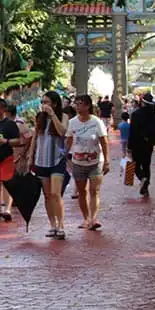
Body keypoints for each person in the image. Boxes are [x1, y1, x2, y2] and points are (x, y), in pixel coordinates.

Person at [65, 94, 110, 230]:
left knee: (94, 190)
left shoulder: (96, 122)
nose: (77, 106)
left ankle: (93, 218)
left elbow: (104, 141)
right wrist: (66, 157)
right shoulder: (72, 122)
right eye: (76, 104)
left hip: (95, 161)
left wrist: (107, 160)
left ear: (87, 106)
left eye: (80, 104)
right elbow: (68, 140)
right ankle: (85, 218)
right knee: (82, 191)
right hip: (78, 162)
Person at [31, 91, 69, 240]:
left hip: (57, 159)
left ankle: (61, 225)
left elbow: (62, 132)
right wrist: (30, 157)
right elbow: (35, 137)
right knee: (47, 195)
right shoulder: (39, 118)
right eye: (42, 102)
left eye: (46, 102)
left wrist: (53, 115)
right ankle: (52, 224)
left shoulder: (62, 116)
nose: (44, 105)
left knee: (56, 193)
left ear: (54, 103)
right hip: (41, 160)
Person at [129, 93, 155, 198]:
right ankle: (146, 188)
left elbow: (132, 132)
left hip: (137, 143)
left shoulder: (135, 114)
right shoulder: (154, 114)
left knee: (136, 165)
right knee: (147, 165)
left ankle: (142, 178)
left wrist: (129, 146)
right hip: (149, 143)